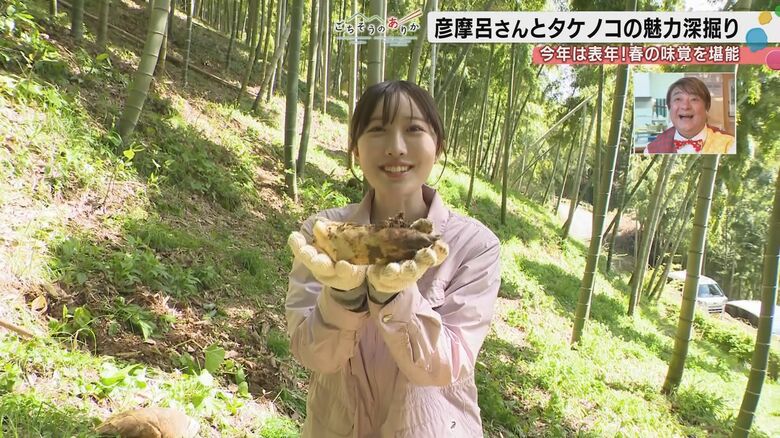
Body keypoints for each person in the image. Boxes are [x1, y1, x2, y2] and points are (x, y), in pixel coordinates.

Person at [285, 80, 501, 437]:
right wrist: (343, 298)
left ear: (438, 146)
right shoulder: (323, 236)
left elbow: (447, 367)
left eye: (414, 129)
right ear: (355, 150)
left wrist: (395, 299)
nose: (396, 148)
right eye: (377, 130)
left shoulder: (474, 246)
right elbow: (313, 355)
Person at [645, 77, 735, 154]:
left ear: (707, 106)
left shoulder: (729, 145)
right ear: (669, 107)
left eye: (694, 99)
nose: (685, 106)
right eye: (678, 99)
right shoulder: (652, 149)